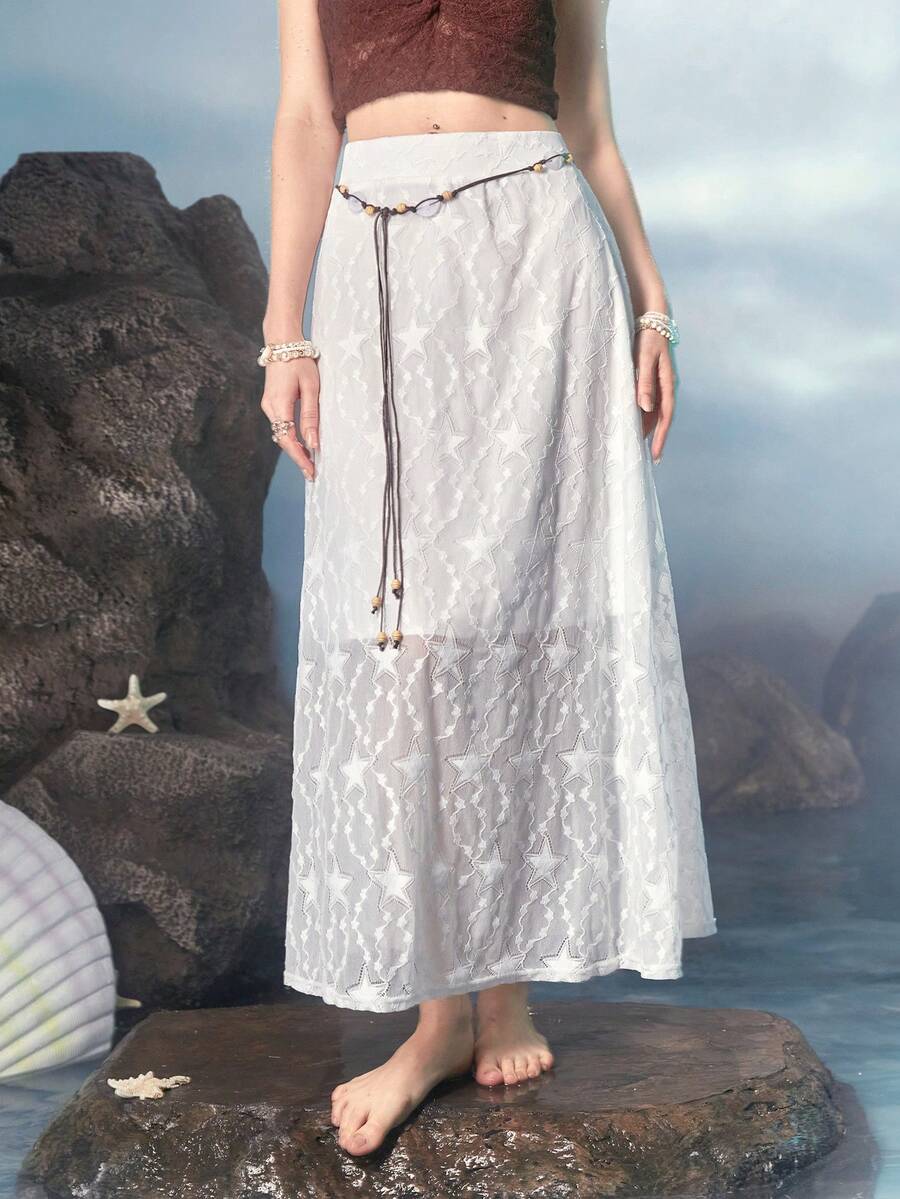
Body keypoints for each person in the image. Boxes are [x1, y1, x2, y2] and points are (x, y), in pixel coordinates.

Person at [262, 0, 717, 1158]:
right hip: (379, 265)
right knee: (406, 626)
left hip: (539, 259)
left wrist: (654, 303)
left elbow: (590, 122)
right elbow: (308, 117)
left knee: (521, 612)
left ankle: (500, 993)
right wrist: (284, 331)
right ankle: (437, 1018)